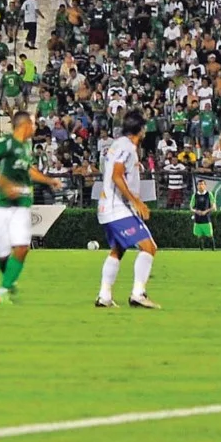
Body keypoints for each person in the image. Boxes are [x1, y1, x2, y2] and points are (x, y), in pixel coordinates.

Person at [0, 111, 62, 305]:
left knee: (23, 246)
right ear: (24, 126)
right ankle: (9, 280)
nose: (34, 129)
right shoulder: (4, 143)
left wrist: (49, 180)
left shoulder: (26, 147)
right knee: (3, 253)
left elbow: (29, 170)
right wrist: (5, 185)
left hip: (20, 204)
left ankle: (2, 290)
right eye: (32, 125)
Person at [95, 109, 161, 309]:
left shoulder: (118, 144)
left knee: (118, 250)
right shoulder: (127, 147)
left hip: (108, 207)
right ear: (140, 129)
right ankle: (138, 294)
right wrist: (136, 201)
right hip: (117, 207)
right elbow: (117, 175)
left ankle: (104, 297)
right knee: (149, 247)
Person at [189, 179, 217, 251]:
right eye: (199, 184)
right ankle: (201, 250)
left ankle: (213, 250)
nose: (200, 186)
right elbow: (191, 207)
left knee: (210, 235)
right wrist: (196, 211)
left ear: (205, 186)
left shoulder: (209, 194)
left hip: (206, 219)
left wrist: (206, 211)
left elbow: (213, 206)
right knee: (199, 236)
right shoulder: (195, 195)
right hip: (197, 219)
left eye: (202, 184)